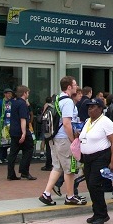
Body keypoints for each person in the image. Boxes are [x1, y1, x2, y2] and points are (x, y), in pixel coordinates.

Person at [39, 76, 87, 206]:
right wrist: (73, 140)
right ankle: (70, 196)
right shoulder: (68, 102)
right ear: (69, 87)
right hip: (63, 139)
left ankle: (46, 193)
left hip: (54, 139)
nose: (76, 87)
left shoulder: (57, 99)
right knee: (70, 169)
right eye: (75, 85)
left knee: (57, 167)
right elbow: (67, 123)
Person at [79, 98, 113, 224]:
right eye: (89, 106)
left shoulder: (106, 122)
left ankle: (102, 214)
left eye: (93, 106)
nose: (90, 108)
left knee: (95, 184)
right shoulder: (88, 121)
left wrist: (112, 162)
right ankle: (96, 212)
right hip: (87, 158)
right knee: (90, 185)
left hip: (100, 157)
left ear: (100, 109)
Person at [7, 85, 37, 181]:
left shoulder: (14, 103)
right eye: (27, 93)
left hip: (13, 130)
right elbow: (23, 119)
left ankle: (10, 173)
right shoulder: (22, 104)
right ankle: (24, 171)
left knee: (13, 153)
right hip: (21, 130)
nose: (28, 94)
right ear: (24, 93)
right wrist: (24, 133)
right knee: (29, 148)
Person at [0, 88, 14, 164]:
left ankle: (4, 157)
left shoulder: (12, 102)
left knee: (7, 141)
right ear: (5, 94)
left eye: (11, 94)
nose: (10, 95)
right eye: (8, 93)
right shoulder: (0, 102)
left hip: (10, 125)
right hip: (1, 125)